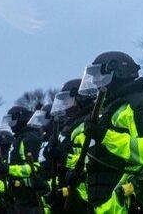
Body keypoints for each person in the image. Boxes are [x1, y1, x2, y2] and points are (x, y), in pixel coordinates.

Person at [79, 52, 143, 214]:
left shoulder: (142, 104)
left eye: (99, 76)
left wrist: (106, 137)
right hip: (111, 206)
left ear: (118, 71)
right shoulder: (112, 108)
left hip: (138, 204)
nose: (96, 82)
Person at [49, 78, 95, 213]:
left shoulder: (89, 122)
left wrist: (64, 157)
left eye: (66, 100)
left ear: (79, 97)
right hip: (72, 194)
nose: (63, 105)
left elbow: (92, 160)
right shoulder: (71, 125)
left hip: (87, 195)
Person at [0, 105, 46, 213]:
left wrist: (10, 170)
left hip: (31, 198)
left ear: (20, 119)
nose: (11, 125)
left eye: (12, 121)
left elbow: (35, 167)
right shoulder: (18, 139)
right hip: (19, 198)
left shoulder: (29, 139)